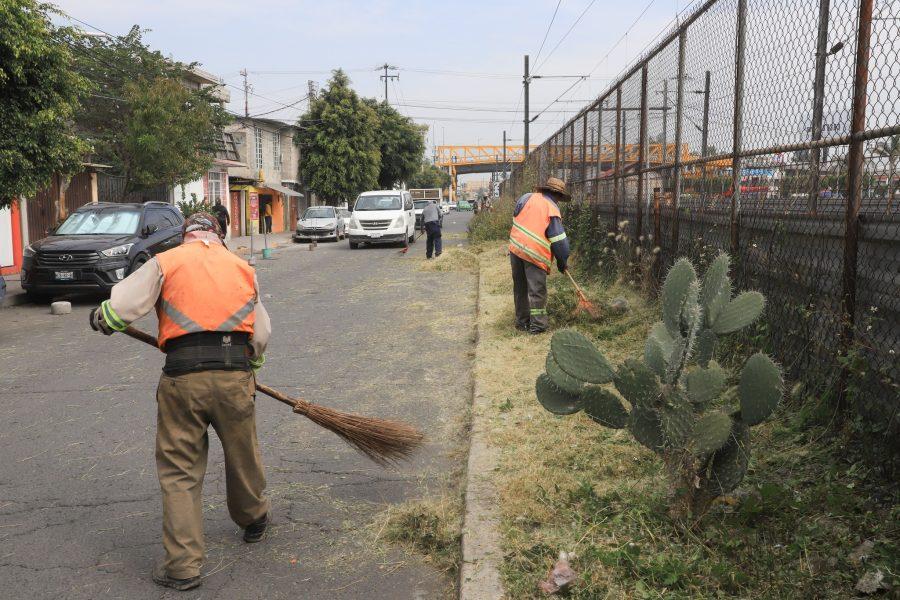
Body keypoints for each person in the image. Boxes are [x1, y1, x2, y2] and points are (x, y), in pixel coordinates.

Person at [88, 212, 271, 592]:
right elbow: (261, 332)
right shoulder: (241, 267)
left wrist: (102, 318)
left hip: (182, 377)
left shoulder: (165, 261)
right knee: (243, 452)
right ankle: (253, 519)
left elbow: (122, 306)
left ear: (185, 234)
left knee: (180, 471)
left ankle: (184, 567)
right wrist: (251, 362)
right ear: (220, 235)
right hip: (234, 375)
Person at [508, 177, 570, 334]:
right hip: (534, 253)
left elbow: (518, 217)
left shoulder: (526, 197)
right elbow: (559, 240)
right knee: (537, 291)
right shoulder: (552, 208)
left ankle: (522, 322)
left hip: (516, 248)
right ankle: (538, 326)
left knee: (520, 288)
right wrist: (562, 262)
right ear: (557, 195)